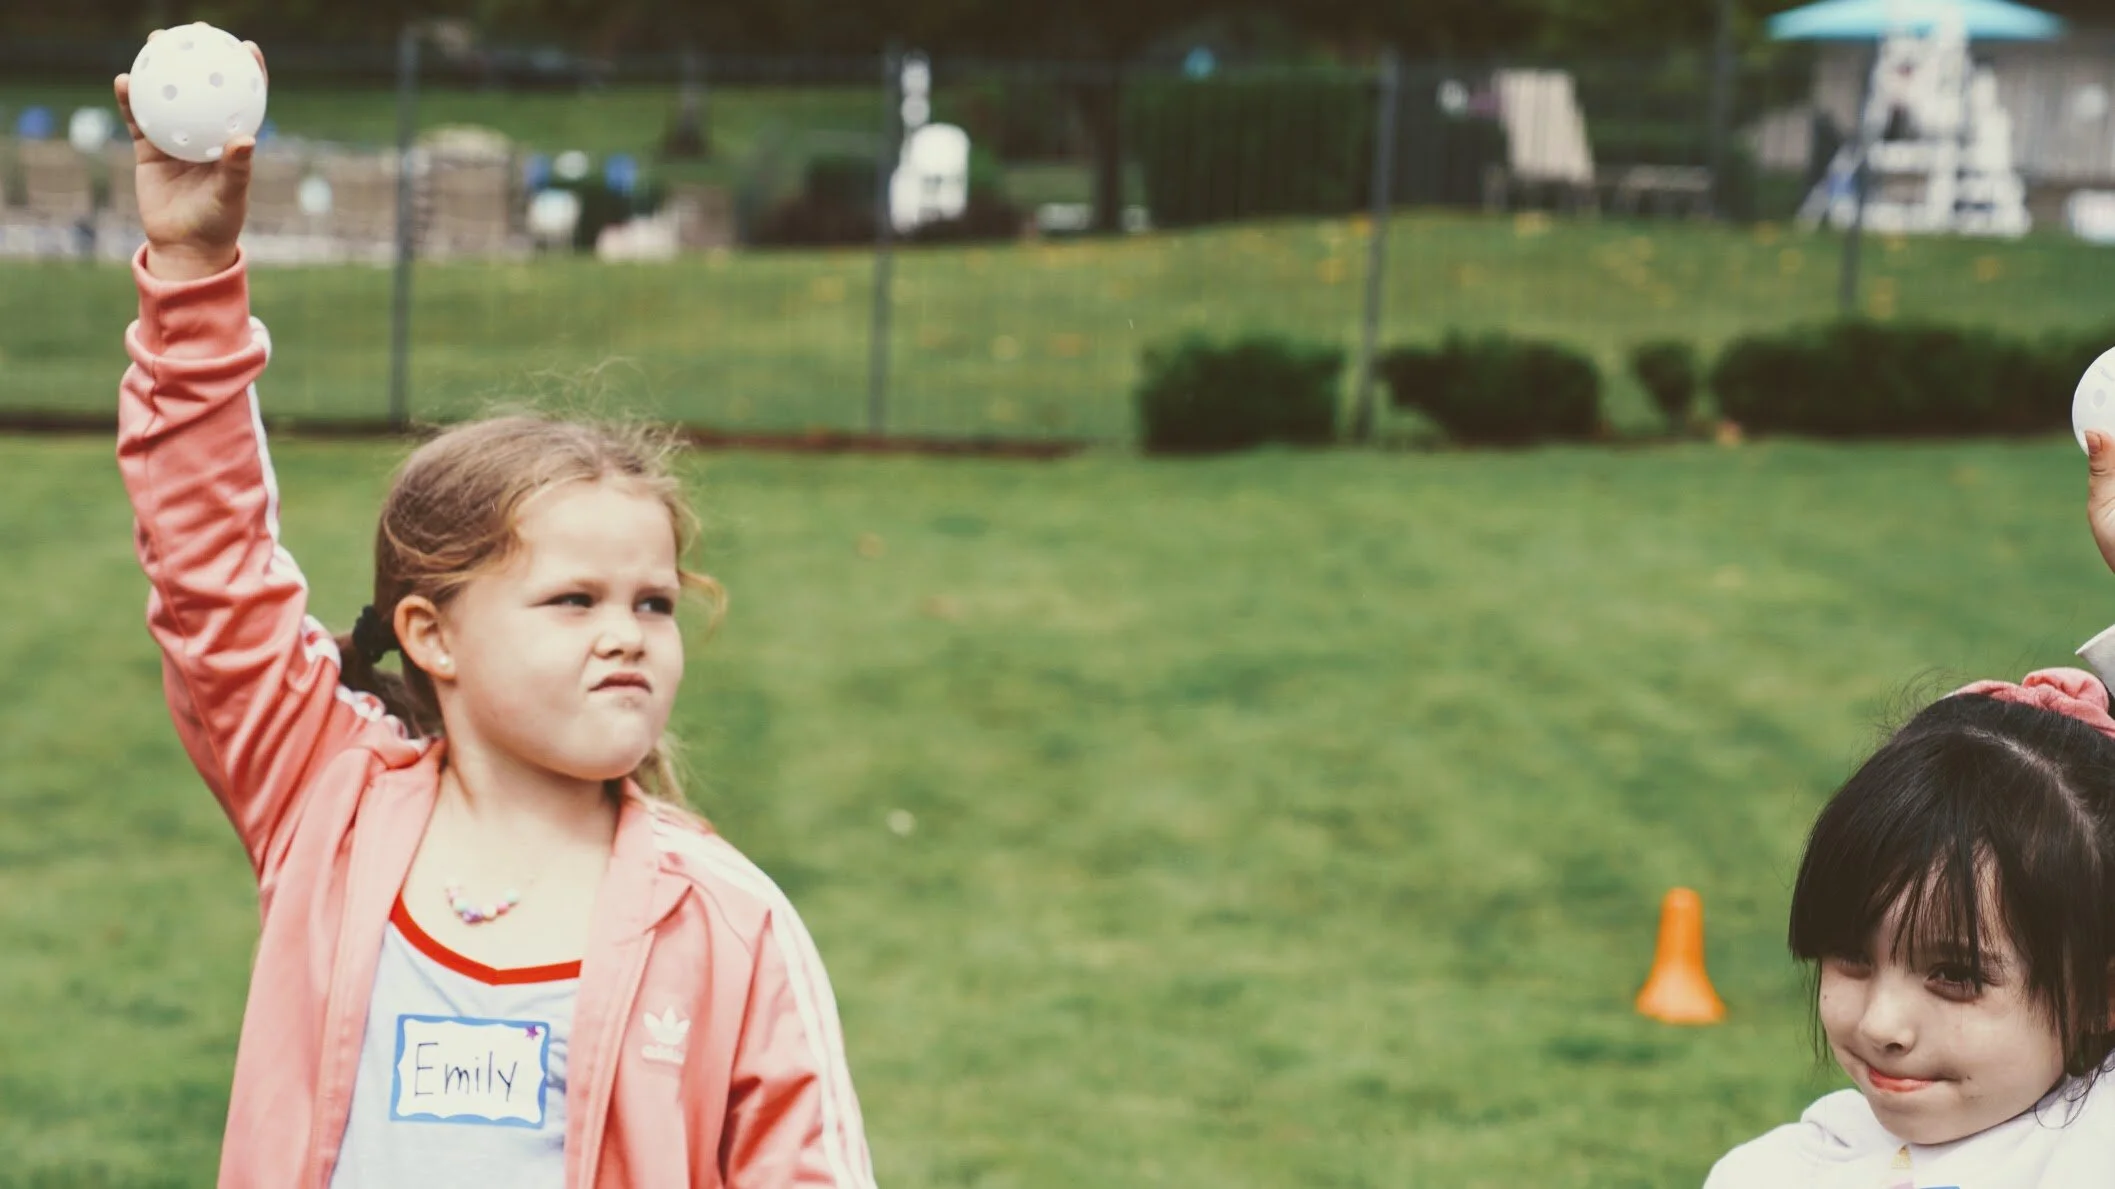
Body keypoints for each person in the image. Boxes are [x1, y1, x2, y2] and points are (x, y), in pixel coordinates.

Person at [112, 36, 875, 1188]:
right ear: (431, 636)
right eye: (572, 600)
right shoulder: (329, 804)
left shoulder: (727, 924)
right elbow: (208, 569)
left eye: (653, 602)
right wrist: (191, 265)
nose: (626, 633)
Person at [1702, 666, 2115, 1186]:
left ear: (2102, 993)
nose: (1881, 1025)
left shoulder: (2094, 1147)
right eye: (1851, 955)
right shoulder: (1770, 1173)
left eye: (1956, 976)